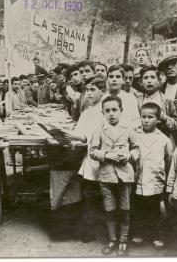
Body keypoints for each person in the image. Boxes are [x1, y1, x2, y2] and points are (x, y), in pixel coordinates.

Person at [89, 95, 140, 256]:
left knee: (125, 208)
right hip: (106, 175)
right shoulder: (99, 129)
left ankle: (123, 241)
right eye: (107, 111)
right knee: (109, 209)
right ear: (102, 112)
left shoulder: (128, 128)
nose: (111, 114)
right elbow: (92, 151)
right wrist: (106, 155)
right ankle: (112, 239)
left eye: (114, 110)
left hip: (125, 174)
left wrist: (130, 156)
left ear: (121, 111)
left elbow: (137, 148)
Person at [60, 77, 107, 242]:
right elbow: (82, 134)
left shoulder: (108, 109)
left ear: (103, 90)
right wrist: (69, 136)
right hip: (90, 157)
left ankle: (105, 231)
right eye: (87, 90)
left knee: (100, 195)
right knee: (89, 193)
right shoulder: (88, 112)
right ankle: (89, 230)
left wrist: (75, 136)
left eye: (93, 90)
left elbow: (91, 136)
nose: (89, 94)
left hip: (104, 157)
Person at [131, 103, 173, 250]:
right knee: (139, 208)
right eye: (143, 117)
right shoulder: (134, 135)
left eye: (150, 117)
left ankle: (156, 235)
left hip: (155, 180)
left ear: (158, 120)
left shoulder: (164, 140)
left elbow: (169, 161)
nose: (146, 120)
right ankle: (140, 233)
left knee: (154, 209)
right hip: (138, 180)